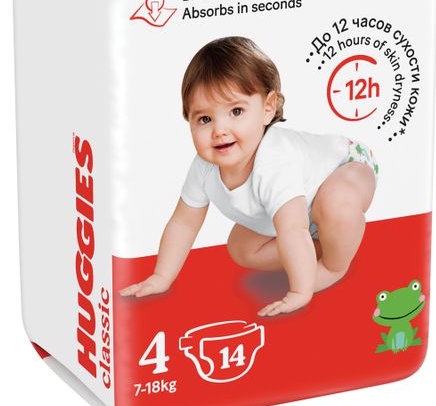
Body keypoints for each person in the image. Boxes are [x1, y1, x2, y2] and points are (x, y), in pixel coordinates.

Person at [120, 36, 378, 316]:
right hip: (301, 210)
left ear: (268, 108)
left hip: (346, 167)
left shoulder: (275, 163)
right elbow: (183, 224)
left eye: (236, 111)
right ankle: (321, 244)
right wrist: (161, 277)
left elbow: (293, 229)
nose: (220, 130)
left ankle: (333, 265)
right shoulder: (204, 167)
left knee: (337, 205)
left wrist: (299, 291)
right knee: (241, 248)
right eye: (205, 119)